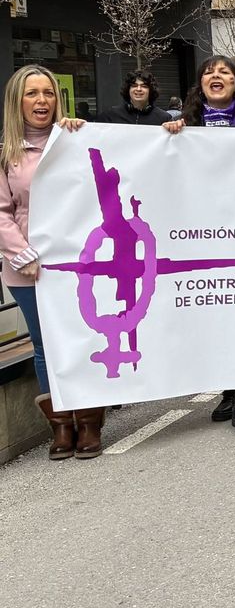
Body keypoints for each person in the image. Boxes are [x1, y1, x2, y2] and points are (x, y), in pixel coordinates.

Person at [164, 56, 235, 435]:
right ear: (200, 84)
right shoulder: (185, 126)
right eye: (209, 72)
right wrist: (167, 134)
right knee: (216, 313)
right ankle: (230, 391)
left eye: (225, 73)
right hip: (200, 235)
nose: (217, 77)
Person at [1, 66, 89, 460]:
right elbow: (2, 212)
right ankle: (61, 426)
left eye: (48, 93)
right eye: (32, 94)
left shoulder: (73, 139)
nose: (41, 101)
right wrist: (23, 254)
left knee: (81, 337)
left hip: (76, 264)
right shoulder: (6, 152)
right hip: (26, 271)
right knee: (44, 345)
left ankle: (89, 422)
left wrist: (84, 134)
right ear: (17, 102)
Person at [99, 70, 168, 126]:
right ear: (128, 90)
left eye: (144, 86)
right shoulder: (111, 115)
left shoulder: (164, 118)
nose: (138, 89)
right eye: (134, 86)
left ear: (151, 90)